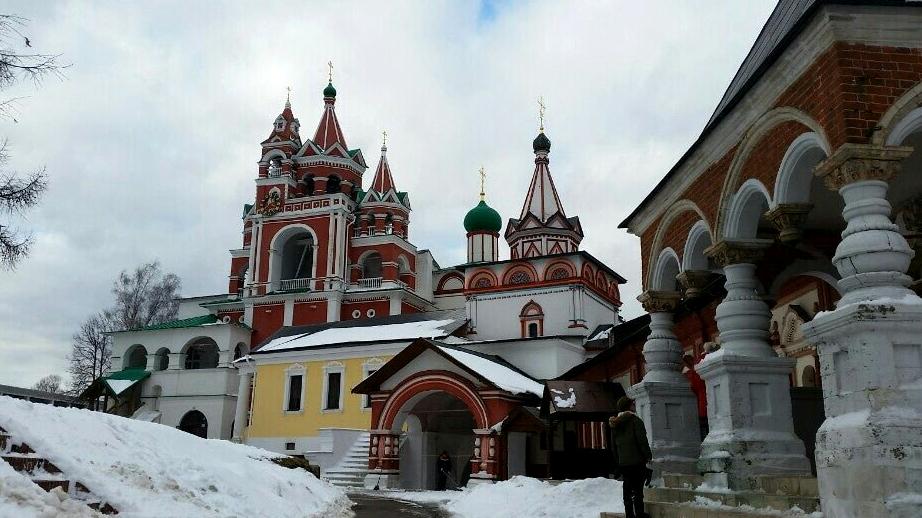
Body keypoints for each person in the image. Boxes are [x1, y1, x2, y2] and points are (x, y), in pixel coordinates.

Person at [609, 396, 652, 518]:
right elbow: (642, 441)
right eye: (633, 404)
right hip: (637, 460)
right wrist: (648, 455)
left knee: (627, 488)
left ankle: (629, 514)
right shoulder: (635, 421)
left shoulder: (615, 423)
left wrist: (618, 461)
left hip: (623, 462)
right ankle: (639, 513)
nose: (635, 406)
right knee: (638, 489)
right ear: (629, 406)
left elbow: (614, 446)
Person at [683, 353, 708, 440]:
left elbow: (693, 387)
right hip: (707, 402)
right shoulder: (700, 369)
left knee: (703, 430)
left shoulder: (692, 374)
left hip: (700, 405)